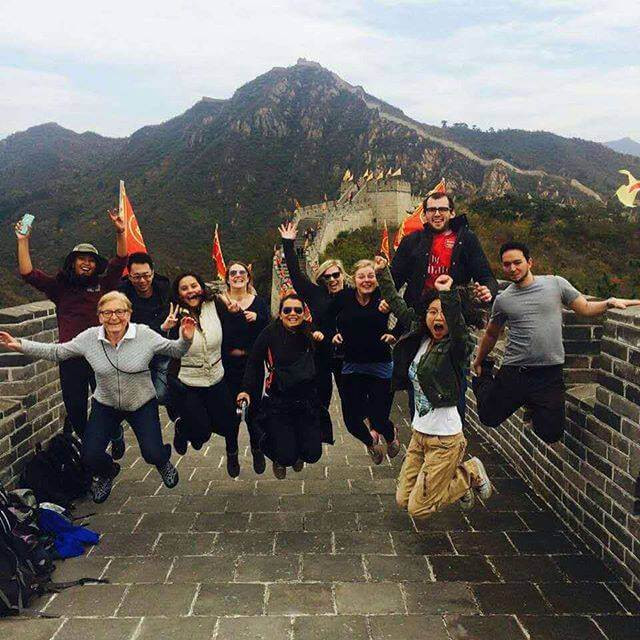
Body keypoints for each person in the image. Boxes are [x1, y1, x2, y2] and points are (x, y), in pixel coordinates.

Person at [0, 291, 195, 503]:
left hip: (141, 403)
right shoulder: (89, 338)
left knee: (152, 453)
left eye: (120, 311)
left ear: (129, 313)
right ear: (99, 316)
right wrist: (20, 345)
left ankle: (162, 461)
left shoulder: (144, 335)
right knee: (89, 455)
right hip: (106, 404)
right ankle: (107, 472)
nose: (114, 317)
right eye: (107, 312)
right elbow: (58, 352)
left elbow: (175, 350)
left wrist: (185, 338)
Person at [471, 242, 640, 445]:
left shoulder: (555, 284)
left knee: (552, 434)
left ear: (530, 262)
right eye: (507, 265)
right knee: (488, 417)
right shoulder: (503, 299)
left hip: (548, 374)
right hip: (516, 370)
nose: (513, 269)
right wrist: (479, 361)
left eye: (517, 262)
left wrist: (609, 302)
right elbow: (491, 333)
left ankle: (532, 403)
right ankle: (484, 378)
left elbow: (585, 308)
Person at [374, 256, 491, 517]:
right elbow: (398, 305)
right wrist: (383, 273)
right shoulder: (421, 336)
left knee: (419, 509)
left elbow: (458, 329)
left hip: (445, 440)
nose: (437, 318)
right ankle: (459, 482)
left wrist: (447, 294)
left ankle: (469, 472)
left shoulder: (457, 348)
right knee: (403, 500)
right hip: (419, 435)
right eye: (431, 311)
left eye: (444, 313)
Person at [15, 210, 128, 450]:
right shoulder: (60, 287)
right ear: (73, 262)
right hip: (71, 357)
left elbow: (121, 261)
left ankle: (115, 432)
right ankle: (92, 449)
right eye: (81, 259)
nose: (86, 263)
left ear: (96, 264)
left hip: (102, 355)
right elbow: (28, 274)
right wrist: (22, 240)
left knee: (109, 402)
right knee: (75, 409)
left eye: (91, 259)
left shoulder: (103, 285)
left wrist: (120, 232)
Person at [237, 293, 331, 479]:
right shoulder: (270, 333)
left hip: (306, 401)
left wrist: (322, 343)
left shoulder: (310, 332)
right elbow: (254, 362)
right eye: (287, 310)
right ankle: (278, 457)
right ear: (280, 314)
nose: (292, 314)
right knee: (286, 455)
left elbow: (326, 364)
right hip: (279, 401)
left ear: (304, 313)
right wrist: (245, 390)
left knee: (313, 454)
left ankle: (297, 452)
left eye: (298, 310)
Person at [164, 272, 242, 477]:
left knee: (231, 421)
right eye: (185, 288)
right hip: (189, 381)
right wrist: (167, 330)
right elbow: (160, 346)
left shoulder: (215, 305)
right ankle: (182, 428)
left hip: (216, 376)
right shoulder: (173, 314)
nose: (191, 291)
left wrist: (236, 314)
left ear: (201, 287)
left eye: (194, 286)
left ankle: (232, 452)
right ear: (178, 294)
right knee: (201, 434)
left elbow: (235, 332)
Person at [331, 259, 400, 464]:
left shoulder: (384, 297)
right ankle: (370, 443)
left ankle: (390, 433)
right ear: (354, 279)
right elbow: (323, 318)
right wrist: (330, 335)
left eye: (371, 276)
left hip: (380, 366)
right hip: (352, 366)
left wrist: (393, 334)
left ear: (377, 280)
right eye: (362, 276)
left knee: (378, 418)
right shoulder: (344, 297)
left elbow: (407, 317)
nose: (367, 280)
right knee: (352, 420)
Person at [279, 221, 348, 408]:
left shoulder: (353, 294)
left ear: (342, 274)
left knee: (351, 404)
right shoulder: (316, 294)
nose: (332, 279)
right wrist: (288, 243)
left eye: (336, 275)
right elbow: (295, 274)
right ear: (321, 279)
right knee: (320, 401)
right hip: (321, 352)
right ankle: (321, 435)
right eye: (327, 276)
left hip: (348, 356)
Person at [390, 190, 498, 311]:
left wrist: (488, 290)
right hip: (417, 312)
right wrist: (385, 299)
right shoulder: (411, 240)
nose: (437, 214)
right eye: (431, 210)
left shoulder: (466, 239)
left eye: (442, 209)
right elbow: (395, 277)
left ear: (452, 213)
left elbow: (486, 276)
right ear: (424, 215)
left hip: (455, 313)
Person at [222, 261, 270, 474]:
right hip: (227, 365)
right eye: (233, 273)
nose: (238, 276)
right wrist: (230, 316)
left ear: (248, 277)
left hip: (252, 365)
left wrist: (257, 318)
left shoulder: (258, 303)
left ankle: (257, 448)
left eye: (242, 272)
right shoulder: (219, 302)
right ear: (227, 278)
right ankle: (232, 453)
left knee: (254, 410)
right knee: (230, 413)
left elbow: (270, 327)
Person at [118, 252, 172, 405]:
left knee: (161, 395)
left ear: (153, 273)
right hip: (135, 352)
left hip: (160, 351)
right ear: (129, 276)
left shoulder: (164, 289)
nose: (142, 281)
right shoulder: (121, 293)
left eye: (146, 275)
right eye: (137, 277)